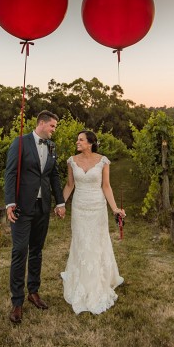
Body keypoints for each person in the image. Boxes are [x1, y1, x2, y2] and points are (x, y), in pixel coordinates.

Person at [4, 110, 66, 324]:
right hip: (22, 207)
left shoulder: (51, 146)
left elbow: (54, 175)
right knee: (20, 251)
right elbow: (10, 173)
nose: (54, 130)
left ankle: (33, 291)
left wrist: (60, 202)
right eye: (52, 126)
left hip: (43, 207)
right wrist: (10, 203)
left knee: (37, 250)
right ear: (41, 123)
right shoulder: (20, 142)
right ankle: (17, 301)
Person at [60, 129, 125, 315]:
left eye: (80, 140)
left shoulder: (103, 161)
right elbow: (70, 185)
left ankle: (98, 281)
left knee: (97, 243)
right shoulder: (72, 161)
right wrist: (60, 204)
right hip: (79, 208)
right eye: (77, 140)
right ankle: (81, 279)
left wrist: (115, 209)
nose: (77, 142)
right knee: (81, 242)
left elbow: (106, 186)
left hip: (97, 208)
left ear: (90, 143)